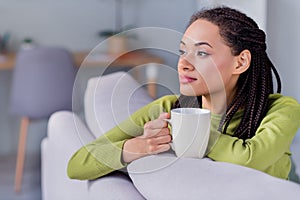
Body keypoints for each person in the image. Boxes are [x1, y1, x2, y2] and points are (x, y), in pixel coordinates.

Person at [67, 6, 300, 181]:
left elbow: (251, 159)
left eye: (201, 53)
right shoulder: (168, 109)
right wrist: (140, 145)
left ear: (240, 62)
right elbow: (77, 164)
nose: (183, 64)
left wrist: (185, 132)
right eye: (182, 51)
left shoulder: (281, 109)